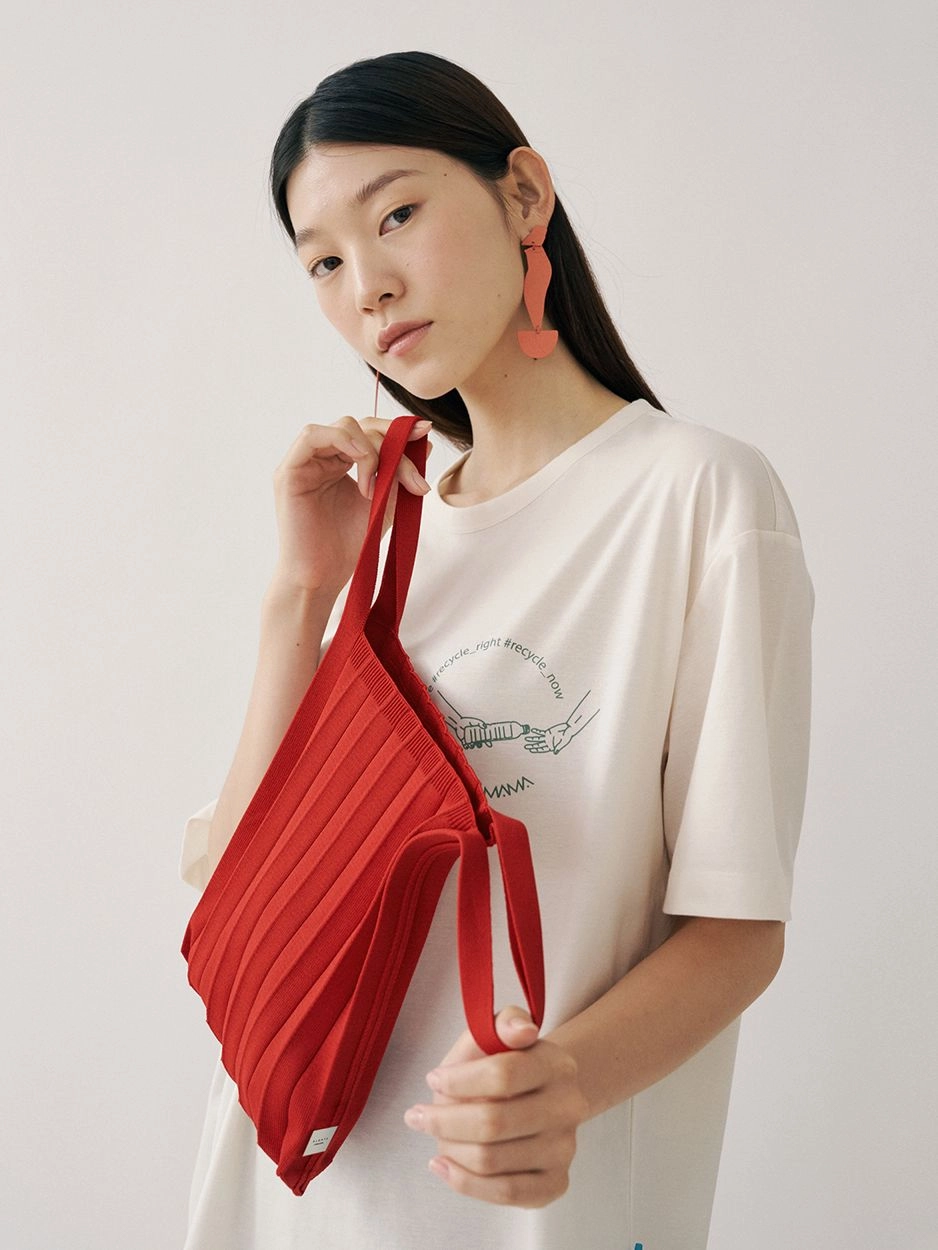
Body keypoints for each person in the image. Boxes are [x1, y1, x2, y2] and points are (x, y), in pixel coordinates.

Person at [179, 49, 815, 1250]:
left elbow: (736, 924)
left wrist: (564, 1079)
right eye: (322, 262)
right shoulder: (386, 513)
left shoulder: (697, 497)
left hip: (515, 1208)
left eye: (396, 215)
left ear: (523, 195)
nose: (367, 286)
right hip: (287, 1191)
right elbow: (238, 890)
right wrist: (299, 596)